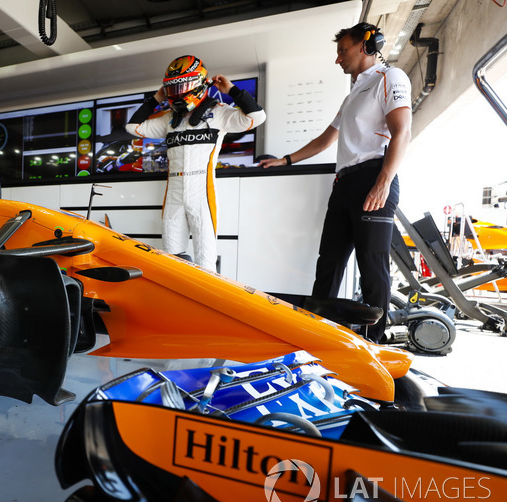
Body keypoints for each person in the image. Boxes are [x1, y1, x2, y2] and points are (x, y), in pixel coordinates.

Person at [260, 22, 412, 343]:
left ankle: (375, 343)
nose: (338, 59)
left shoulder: (391, 78)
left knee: (372, 266)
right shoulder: (354, 92)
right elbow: (326, 139)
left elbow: (402, 132)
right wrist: (285, 160)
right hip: (344, 184)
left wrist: (383, 182)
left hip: (374, 176)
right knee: (328, 263)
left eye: (342, 51)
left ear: (365, 46)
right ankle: (316, 335)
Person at [126, 55, 265, 271]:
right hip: (173, 191)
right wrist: (156, 98)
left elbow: (257, 117)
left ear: (198, 84)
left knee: (206, 259)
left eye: (181, 86)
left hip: (202, 190)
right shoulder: (168, 118)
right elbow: (132, 127)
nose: (177, 93)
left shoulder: (218, 112)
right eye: (172, 88)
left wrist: (232, 90)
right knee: (170, 256)